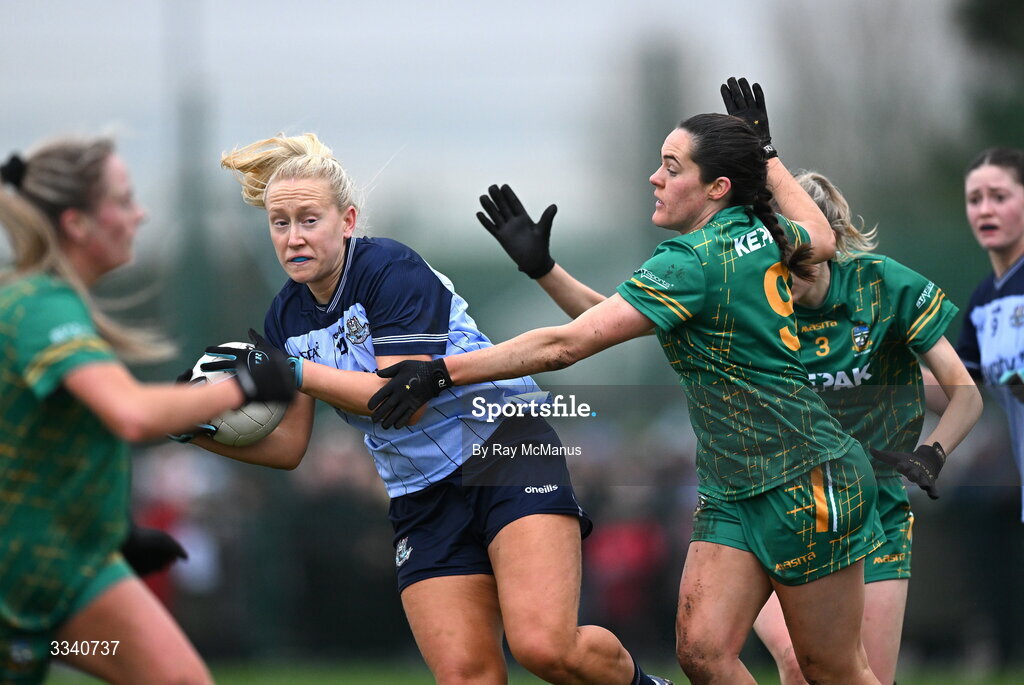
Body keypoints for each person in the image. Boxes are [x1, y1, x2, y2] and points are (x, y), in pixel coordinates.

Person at [369, 78, 888, 685]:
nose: (655, 177)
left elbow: (569, 345)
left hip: (804, 477)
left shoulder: (690, 262)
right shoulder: (756, 229)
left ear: (716, 188)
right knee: (702, 654)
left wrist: (440, 371)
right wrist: (544, 270)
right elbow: (818, 240)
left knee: (832, 668)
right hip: (733, 484)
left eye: (672, 167)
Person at [193, 132, 672, 685]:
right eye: (280, 223)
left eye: (309, 220)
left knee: (546, 647)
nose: (294, 237)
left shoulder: (389, 267)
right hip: (419, 494)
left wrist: (293, 371)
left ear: (346, 221)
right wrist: (197, 425)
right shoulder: (285, 318)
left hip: (505, 451)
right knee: (467, 676)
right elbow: (289, 449)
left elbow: (403, 402)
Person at [0, 138, 294, 684]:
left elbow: (58, 448)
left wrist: (114, 534)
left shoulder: (51, 301)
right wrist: (247, 387)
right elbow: (130, 413)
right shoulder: (41, 304)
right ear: (78, 224)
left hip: (68, 575)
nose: (141, 213)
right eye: (123, 199)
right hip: (17, 575)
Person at [744, 172, 981, 685]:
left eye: (796, 244)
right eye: (773, 243)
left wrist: (933, 453)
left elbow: (965, 394)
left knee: (862, 674)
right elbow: (624, 317)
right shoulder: (754, 297)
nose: (784, 262)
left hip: (873, 509)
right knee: (796, 660)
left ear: (828, 238)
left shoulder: (883, 285)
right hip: (780, 505)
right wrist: (547, 272)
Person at [958, 147, 1024, 520]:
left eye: (999, 197)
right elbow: (960, 390)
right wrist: (882, 364)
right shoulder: (984, 300)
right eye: (974, 199)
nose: (985, 210)